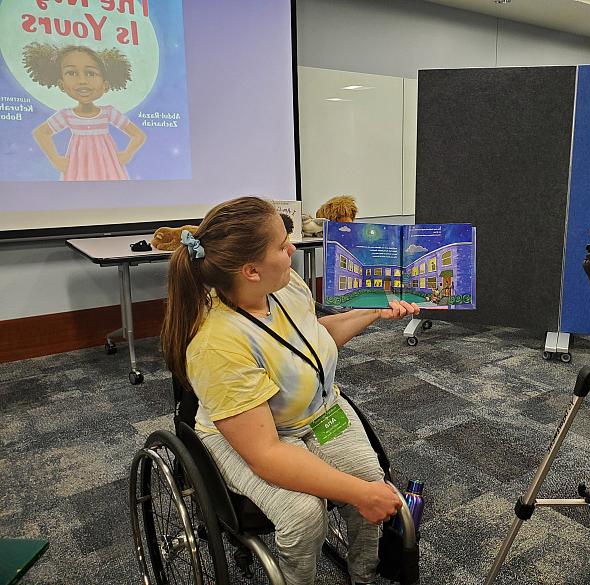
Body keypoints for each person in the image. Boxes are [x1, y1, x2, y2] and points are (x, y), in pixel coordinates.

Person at [160, 196, 420, 585]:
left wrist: (371, 310)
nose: (293, 249)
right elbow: (266, 453)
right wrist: (359, 494)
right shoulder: (218, 344)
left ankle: (363, 575)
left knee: (371, 477)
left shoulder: (283, 284)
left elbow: (314, 339)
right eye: (282, 246)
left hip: (317, 413)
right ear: (250, 270)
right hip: (253, 437)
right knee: (304, 514)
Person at [23, 43, 146, 180]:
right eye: (72, 73)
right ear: (62, 85)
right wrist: (56, 159)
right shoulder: (67, 115)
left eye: (90, 73)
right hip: (78, 167)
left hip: (108, 166)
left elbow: (138, 135)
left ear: (105, 85)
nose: (82, 81)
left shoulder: (108, 112)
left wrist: (127, 154)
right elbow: (41, 133)